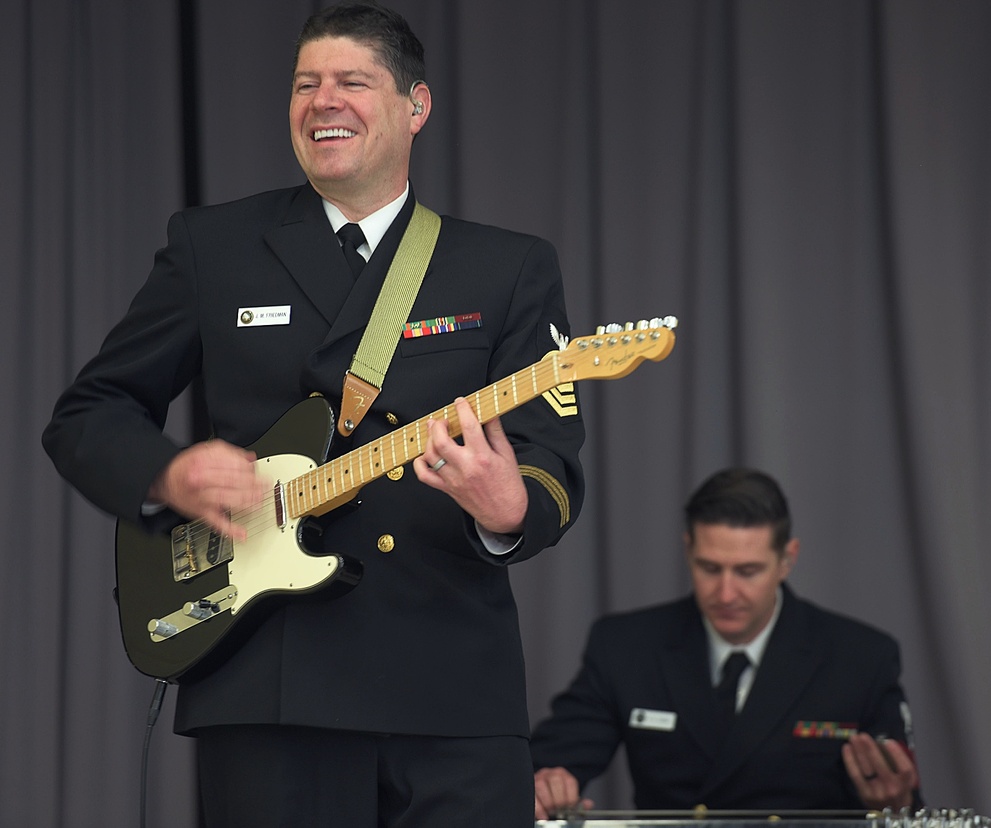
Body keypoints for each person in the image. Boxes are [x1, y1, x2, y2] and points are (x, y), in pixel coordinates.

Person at [42, 3, 585, 826]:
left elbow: (551, 456)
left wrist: (508, 508)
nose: (323, 100)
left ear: (416, 107)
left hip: (451, 693)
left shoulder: (506, 267)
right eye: (306, 84)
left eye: (353, 82)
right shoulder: (214, 246)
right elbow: (87, 413)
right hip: (270, 683)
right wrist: (170, 470)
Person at [531, 468, 920, 819]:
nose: (726, 592)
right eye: (710, 568)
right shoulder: (627, 646)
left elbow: (906, 799)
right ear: (688, 551)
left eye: (748, 571)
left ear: (787, 559)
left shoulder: (860, 658)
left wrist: (893, 803)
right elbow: (555, 757)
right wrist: (548, 778)